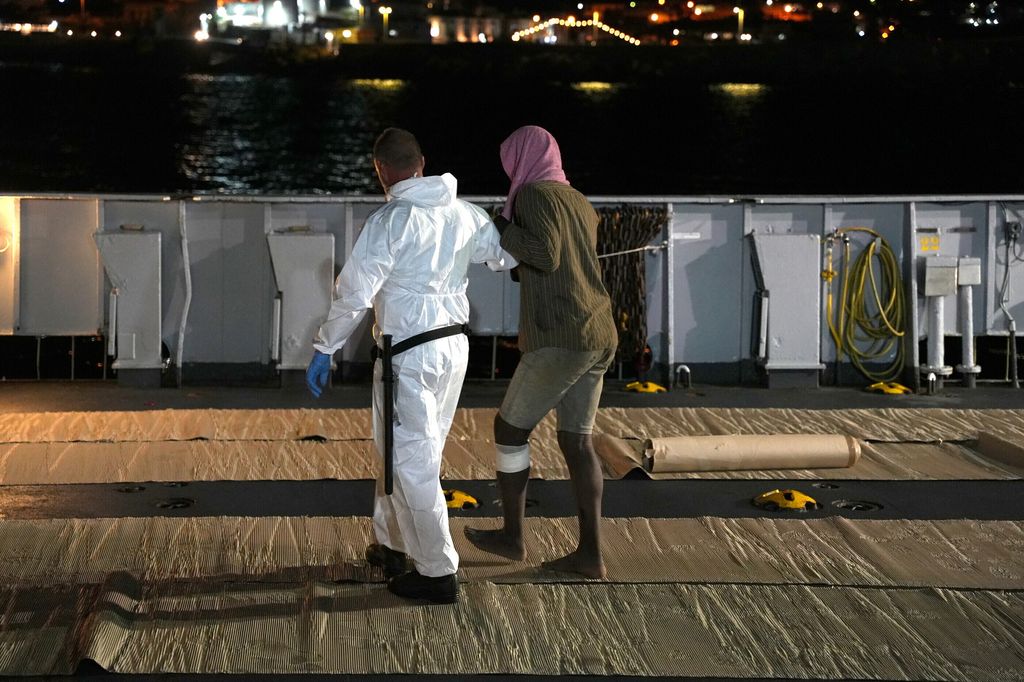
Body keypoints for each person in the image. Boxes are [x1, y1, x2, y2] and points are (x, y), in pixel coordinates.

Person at [306, 127, 514, 604]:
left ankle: (438, 571)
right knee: (405, 453)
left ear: (382, 170)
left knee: (410, 461)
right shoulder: (464, 214)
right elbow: (502, 257)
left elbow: (354, 293)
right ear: (423, 161)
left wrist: (325, 347)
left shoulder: (388, 222)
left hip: (408, 357)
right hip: (453, 351)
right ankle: (392, 542)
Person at [464, 125, 617, 579]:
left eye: (510, 161)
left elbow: (544, 254)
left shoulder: (532, 194)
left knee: (509, 428)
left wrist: (502, 225)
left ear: (523, 159)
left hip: (561, 336)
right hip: (598, 332)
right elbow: (558, 262)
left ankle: (512, 537)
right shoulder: (579, 201)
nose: (510, 170)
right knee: (577, 441)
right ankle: (590, 554)